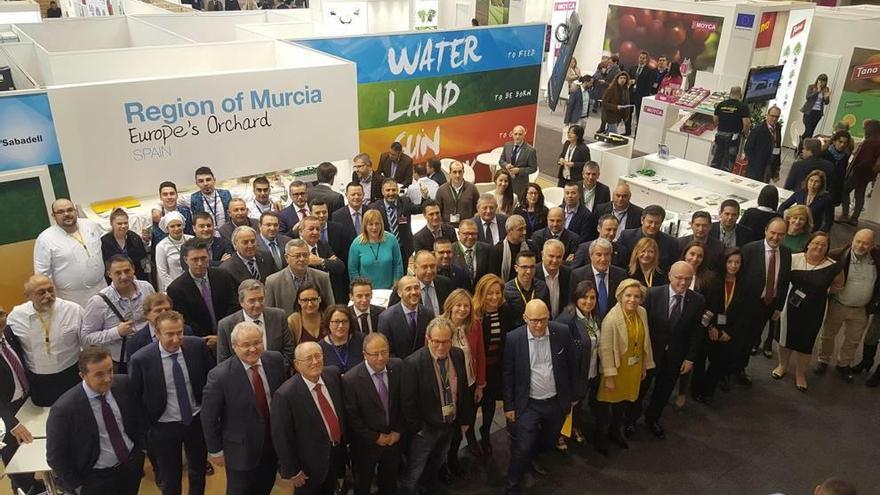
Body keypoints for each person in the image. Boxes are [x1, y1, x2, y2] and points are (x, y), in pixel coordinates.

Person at [128, 310, 214, 495]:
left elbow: (210, 381)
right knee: (170, 479)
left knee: (198, 472)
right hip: (163, 427)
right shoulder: (141, 360)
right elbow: (135, 399)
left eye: (179, 333)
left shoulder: (197, 347)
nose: (176, 339)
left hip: (195, 421)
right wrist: (145, 433)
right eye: (169, 334)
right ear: (157, 334)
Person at [47, 346, 145, 495]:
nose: (107, 379)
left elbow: (139, 418)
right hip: (95, 480)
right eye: (99, 374)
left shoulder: (124, 384)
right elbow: (56, 456)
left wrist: (141, 451)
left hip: (130, 468)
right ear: (82, 375)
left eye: (110, 371)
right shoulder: (64, 409)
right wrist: (77, 486)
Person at [201, 322, 285, 495]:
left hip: (271, 443)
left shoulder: (275, 360)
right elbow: (209, 417)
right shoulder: (219, 376)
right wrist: (215, 450)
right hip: (240, 450)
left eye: (257, 342)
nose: (253, 349)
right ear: (234, 347)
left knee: (266, 485)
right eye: (246, 345)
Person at [503, 299, 575, 493]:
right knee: (523, 447)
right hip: (528, 404)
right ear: (525, 318)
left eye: (543, 319)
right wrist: (509, 406)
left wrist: (572, 397)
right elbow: (508, 374)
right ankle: (512, 485)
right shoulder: (513, 339)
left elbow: (571, 365)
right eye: (534, 320)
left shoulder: (561, 332)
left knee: (550, 441)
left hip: (556, 402)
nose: (539, 325)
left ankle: (532, 457)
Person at [400, 317, 471, 494]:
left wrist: (463, 419)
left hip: (449, 423)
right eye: (436, 342)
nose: (441, 347)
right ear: (428, 338)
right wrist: (418, 429)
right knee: (415, 470)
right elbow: (408, 401)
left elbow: (462, 389)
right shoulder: (413, 363)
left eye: (446, 341)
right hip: (425, 430)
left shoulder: (457, 354)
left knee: (438, 461)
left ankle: (430, 488)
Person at [272, 342, 347, 495]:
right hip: (308, 466)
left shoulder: (333, 375)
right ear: (297, 364)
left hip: (335, 454)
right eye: (308, 358)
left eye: (318, 356)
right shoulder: (285, 395)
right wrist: (293, 471)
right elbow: (282, 437)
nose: (315, 361)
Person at [774, 232, 843, 391]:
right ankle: (782, 366)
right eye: (816, 243)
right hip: (789, 306)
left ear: (827, 248)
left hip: (814, 310)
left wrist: (821, 292)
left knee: (806, 342)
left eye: (823, 245)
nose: (819, 247)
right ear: (808, 243)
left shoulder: (833, 266)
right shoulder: (793, 258)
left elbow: (839, 285)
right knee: (784, 337)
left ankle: (800, 374)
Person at [342, 332, 405, 495]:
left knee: (390, 482)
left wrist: (397, 431)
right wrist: (375, 437)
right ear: (364, 355)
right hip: (366, 445)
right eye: (374, 354)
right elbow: (352, 418)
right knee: (363, 484)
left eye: (384, 352)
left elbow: (404, 403)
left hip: (393, 440)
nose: (380, 358)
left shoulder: (397, 367)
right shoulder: (351, 379)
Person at [596, 279, 654, 453]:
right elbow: (605, 350)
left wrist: (644, 365)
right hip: (615, 370)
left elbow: (646, 341)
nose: (632, 300)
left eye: (637, 296)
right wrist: (610, 377)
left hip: (633, 368)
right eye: (628, 295)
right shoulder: (611, 318)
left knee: (622, 405)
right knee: (606, 407)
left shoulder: (642, 312)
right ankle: (600, 439)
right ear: (620, 296)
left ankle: (616, 432)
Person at [7, 275, 82, 406]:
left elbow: (87, 342)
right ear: (27, 295)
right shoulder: (16, 316)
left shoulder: (73, 310)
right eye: (41, 292)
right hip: (39, 379)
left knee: (75, 407)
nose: (48, 296)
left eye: (51, 290)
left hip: (70, 373)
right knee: (43, 410)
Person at [817, 229, 880, 382]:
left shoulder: (877, 259)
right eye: (858, 241)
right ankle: (823, 361)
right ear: (852, 240)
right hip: (838, 304)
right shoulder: (837, 255)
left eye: (866, 243)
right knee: (827, 336)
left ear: (872, 245)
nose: (861, 245)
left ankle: (843, 365)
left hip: (861, 310)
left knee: (853, 340)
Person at [737, 218, 791, 386]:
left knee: (752, 340)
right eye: (773, 233)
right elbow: (739, 279)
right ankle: (726, 372)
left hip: (767, 306)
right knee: (738, 340)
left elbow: (783, 281)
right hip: (745, 306)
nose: (776, 237)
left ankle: (740, 369)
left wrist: (778, 307)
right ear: (766, 231)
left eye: (780, 234)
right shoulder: (750, 250)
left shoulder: (787, 253)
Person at [81, 255, 155, 369]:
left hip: (151, 352)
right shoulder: (98, 302)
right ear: (109, 274)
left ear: (133, 269)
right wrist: (116, 332)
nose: (124, 276)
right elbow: (86, 338)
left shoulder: (147, 288)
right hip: (121, 361)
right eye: (118, 273)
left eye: (127, 271)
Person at [34, 198, 107, 307]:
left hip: (102, 289)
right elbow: (42, 274)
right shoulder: (45, 239)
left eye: (70, 210)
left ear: (75, 211)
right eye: (60, 212)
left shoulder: (91, 225)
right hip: (70, 299)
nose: (66, 214)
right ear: (53, 216)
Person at [0, 308, 42, 494]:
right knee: (14, 456)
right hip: (5, 411)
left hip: (26, 400)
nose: (1, 319)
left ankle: (33, 484)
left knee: (31, 449)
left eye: (1, 313)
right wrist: (12, 424)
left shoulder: (8, 333)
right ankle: (25, 488)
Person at [552, 280, 598, 451]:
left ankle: (574, 427)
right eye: (584, 297)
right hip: (572, 375)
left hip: (589, 371)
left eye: (592, 298)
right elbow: (559, 352)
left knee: (578, 405)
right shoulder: (566, 320)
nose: (589, 301)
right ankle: (558, 435)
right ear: (575, 298)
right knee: (565, 407)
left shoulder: (593, 317)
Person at [443, 289, 486, 471]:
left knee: (465, 423)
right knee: (447, 429)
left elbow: (480, 355)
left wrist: (480, 385)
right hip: (447, 389)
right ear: (450, 306)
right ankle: (443, 463)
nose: (462, 309)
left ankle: (453, 458)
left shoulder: (475, 325)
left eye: (466, 305)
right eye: (458, 305)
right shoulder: (439, 326)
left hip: (469, 385)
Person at [167, 240, 239, 346]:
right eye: (195, 259)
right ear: (186, 260)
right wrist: (208, 339)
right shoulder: (176, 289)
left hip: (229, 335)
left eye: (203, 258)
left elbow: (234, 304)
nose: (200, 263)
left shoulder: (223, 276)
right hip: (201, 342)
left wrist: (223, 334)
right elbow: (186, 321)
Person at [472, 273, 514, 453]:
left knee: (489, 405)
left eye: (498, 293)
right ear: (481, 293)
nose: (494, 297)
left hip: (496, 367)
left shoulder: (505, 310)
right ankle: (470, 436)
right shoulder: (474, 314)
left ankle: (486, 432)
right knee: (473, 406)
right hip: (476, 369)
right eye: (490, 293)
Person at [699, 248, 746, 401]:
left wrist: (729, 332)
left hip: (729, 330)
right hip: (709, 327)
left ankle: (707, 391)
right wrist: (711, 327)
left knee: (718, 363)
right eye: (730, 261)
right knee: (701, 360)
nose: (733, 266)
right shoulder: (712, 281)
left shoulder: (744, 284)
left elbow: (744, 313)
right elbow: (704, 306)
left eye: (737, 262)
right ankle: (696, 389)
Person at [216, 279, 294, 368]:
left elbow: (289, 350)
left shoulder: (279, 316)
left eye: (261, 299)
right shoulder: (226, 325)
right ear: (241, 302)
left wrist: (276, 371)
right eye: (252, 301)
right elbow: (224, 361)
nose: (257, 304)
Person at [265, 239, 335, 316]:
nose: (302, 259)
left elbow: (330, 309)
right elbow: (269, 314)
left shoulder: (322, 277)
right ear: (286, 258)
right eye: (297, 256)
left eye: (305, 255)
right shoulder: (273, 282)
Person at [126, 293, 196, 361]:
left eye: (167, 309)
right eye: (158, 311)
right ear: (146, 314)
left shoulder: (186, 330)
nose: (164, 313)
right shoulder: (135, 342)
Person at [570, 238, 628, 319]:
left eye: (607, 254)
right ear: (591, 256)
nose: (603, 259)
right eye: (599, 254)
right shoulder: (578, 275)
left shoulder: (621, 274)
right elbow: (572, 303)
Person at [347, 209, 403, 290]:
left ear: (381, 224)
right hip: (366, 293)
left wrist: (396, 283)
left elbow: (398, 264)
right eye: (370, 224)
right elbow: (353, 270)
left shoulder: (391, 240)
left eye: (377, 224)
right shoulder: (356, 243)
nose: (374, 227)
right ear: (365, 226)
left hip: (390, 289)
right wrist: (360, 289)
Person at [378, 275, 433, 358]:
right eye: (408, 289)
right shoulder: (386, 318)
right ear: (399, 293)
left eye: (416, 288)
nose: (414, 292)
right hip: (399, 367)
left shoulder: (428, 314)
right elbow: (386, 350)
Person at [297, 213, 348, 302]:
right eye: (311, 229)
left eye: (318, 229)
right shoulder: (296, 248)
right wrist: (329, 262)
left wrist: (320, 261)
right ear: (301, 232)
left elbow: (339, 266)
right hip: (306, 297)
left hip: (327, 293)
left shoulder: (323, 245)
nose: (315, 232)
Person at [839, 119, 880, 225]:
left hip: (859, 172)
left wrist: (855, 168)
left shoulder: (869, 142)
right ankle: (854, 218)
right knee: (860, 194)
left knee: (844, 190)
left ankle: (845, 214)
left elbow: (866, 159)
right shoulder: (878, 142)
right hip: (869, 174)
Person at [618, 204, 680, 271]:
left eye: (657, 223)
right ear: (642, 220)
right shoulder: (627, 236)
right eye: (650, 222)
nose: (653, 226)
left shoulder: (671, 243)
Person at [371, 178, 420, 263]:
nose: (391, 193)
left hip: (403, 249)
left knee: (402, 274)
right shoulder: (374, 207)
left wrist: (425, 197)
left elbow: (420, 209)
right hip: (383, 249)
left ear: (397, 190)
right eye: (388, 190)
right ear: (382, 192)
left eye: (393, 190)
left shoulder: (405, 202)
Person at [388, 250, 453, 314]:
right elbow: (391, 315)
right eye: (424, 267)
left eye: (432, 266)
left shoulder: (445, 284)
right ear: (415, 268)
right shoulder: (402, 287)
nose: (429, 271)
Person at [101, 208, 150, 283]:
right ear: (111, 224)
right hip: (114, 280)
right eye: (119, 223)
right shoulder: (104, 242)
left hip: (135, 278)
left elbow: (142, 262)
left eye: (125, 223)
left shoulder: (135, 238)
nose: (123, 226)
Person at [504, 251, 549, 328]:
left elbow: (548, 313)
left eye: (532, 267)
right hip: (516, 333)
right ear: (516, 268)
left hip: (538, 330)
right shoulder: (507, 290)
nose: (529, 271)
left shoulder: (542, 286)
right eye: (524, 267)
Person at [711, 86, 751, 172]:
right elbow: (746, 123)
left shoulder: (721, 104)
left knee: (716, 158)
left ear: (730, 94)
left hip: (720, 135)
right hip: (733, 137)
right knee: (729, 161)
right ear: (740, 94)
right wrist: (746, 134)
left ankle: (712, 175)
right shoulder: (742, 106)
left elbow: (715, 119)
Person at [489, 214, 537, 282]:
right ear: (509, 231)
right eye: (520, 229)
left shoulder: (532, 247)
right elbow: (494, 276)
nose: (524, 232)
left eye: (525, 228)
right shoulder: (498, 250)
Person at [319, 305, 364, 373]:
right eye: (336, 322)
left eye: (344, 321)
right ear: (328, 323)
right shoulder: (320, 347)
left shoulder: (361, 340)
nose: (341, 326)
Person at [155, 212, 194, 291]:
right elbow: (162, 273)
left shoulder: (192, 240)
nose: (176, 229)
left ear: (183, 226)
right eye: (172, 226)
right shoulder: (161, 246)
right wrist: (175, 288)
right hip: (174, 286)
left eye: (179, 225)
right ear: (167, 228)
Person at [499, 125, 539, 199]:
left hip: (520, 184)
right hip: (506, 182)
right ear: (512, 134)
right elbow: (501, 160)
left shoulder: (530, 150)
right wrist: (506, 165)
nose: (517, 137)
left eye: (520, 134)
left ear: (524, 135)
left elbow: (533, 168)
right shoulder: (507, 145)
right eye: (515, 134)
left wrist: (519, 170)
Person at [435, 161, 479, 227]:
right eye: (454, 172)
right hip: (448, 228)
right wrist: (443, 226)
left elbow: (477, 209)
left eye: (460, 172)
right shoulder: (441, 190)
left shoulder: (472, 188)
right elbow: (437, 211)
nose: (457, 175)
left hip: (467, 228)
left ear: (463, 172)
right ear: (450, 173)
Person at [744, 106, 783, 182]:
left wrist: (776, 167)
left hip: (769, 165)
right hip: (756, 167)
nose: (774, 119)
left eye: (777, 117)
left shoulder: (778, 128)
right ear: (767, 115)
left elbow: (777, 147)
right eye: (772, 116)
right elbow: (747, 148)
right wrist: (754, 162)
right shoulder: (758, 130)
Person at [535, 239, 572, 318]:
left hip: (561, 322)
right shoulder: (533, 273)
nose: (555, 260)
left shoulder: (568, 274)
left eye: (559, 257)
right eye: (551, 256)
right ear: (542, 255)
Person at [190, 166, 232, 230]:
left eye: (208, 179)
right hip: (206, 233)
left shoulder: (226, 194)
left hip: (227, 232)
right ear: (197, 183)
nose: (205, 183)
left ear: (214, 180)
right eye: (201, 181)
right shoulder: (194, 199)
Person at [332, 182, 369, 255]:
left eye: (359, 194)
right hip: (348, 258)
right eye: (353, 194)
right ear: (346, 195)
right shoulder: (337, 216)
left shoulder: (370, 212)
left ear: (363, 195)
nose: (356, 197)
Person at [799, 74, 832, 154]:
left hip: (817, 113)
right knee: (808, 131)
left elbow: (826, 102)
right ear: (817, 80)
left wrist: (826, 97)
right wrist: (817, 91)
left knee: (811, 131)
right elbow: (808, 97)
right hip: (808, 112)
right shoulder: (811, 87)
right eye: (820, 80)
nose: (822, 83)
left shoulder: (826, 89)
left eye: (824, 81)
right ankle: (800, 148)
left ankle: (806, 150)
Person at [625, 50, 656, 135]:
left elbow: (649, 85)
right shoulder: (632, 68)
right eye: (640, 58)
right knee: (628, 113)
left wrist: (637, 83)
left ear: (646, 60)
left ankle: (637, 134)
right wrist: (629, 81)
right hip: (631, 94)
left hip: (641, 95)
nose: (641, 59)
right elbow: (627, 79)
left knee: (639, 115)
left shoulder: (650, 71)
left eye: (644, 58)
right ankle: (627, 131)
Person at [454, 219, 492, 286]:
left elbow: (490, 277)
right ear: (459, 234)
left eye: (473, 233)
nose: (470, 237)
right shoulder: (450, 250)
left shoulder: (487, 249)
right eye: (466, 234)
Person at [821, 130, 853, 207]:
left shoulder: (845, 157)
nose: (842, 145)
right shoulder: (825, 154)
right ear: (834, 141)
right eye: (840, 142)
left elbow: (842, 175)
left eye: (845, 143)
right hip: (823, 186)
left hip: (835, 189)